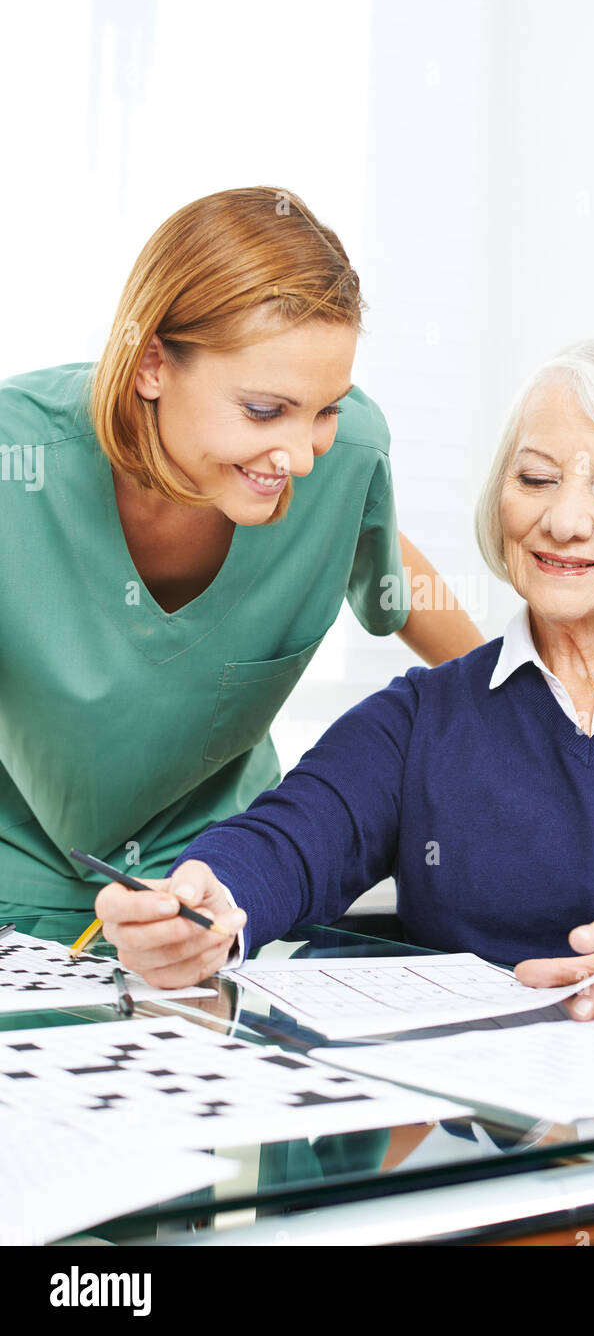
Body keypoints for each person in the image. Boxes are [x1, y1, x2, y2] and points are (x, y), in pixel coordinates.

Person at [96, 338, 594, 1028]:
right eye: (534, 478)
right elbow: (293, 838)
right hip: (481, 1142)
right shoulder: (419, 715)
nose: (563, 522)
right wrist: (209, 900)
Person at [0, 186, 483, 916]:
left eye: (326, 408)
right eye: (263, 410)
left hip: (216, 888)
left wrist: (519, 711)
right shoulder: (18, 459)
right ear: (151, 364)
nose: (300, 455)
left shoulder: (347, 457)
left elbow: (381, 560)